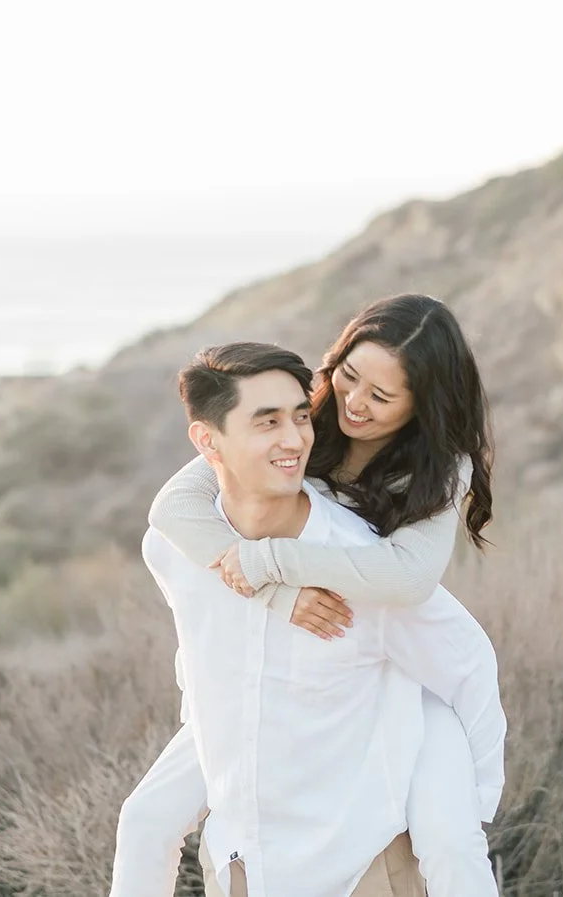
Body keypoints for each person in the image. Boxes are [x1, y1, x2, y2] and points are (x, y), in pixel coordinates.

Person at [111, 295, 500, 896]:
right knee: (145, 820)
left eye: (381, 396)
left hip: (395, 670)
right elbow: (173, 508)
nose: (354, 402)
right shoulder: (300, 422)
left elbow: (407, 578)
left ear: (423, 404)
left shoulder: (440, 468)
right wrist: (275, 593)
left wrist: (270, 561)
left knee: (451, 842)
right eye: (349, 376)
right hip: (278, 678)